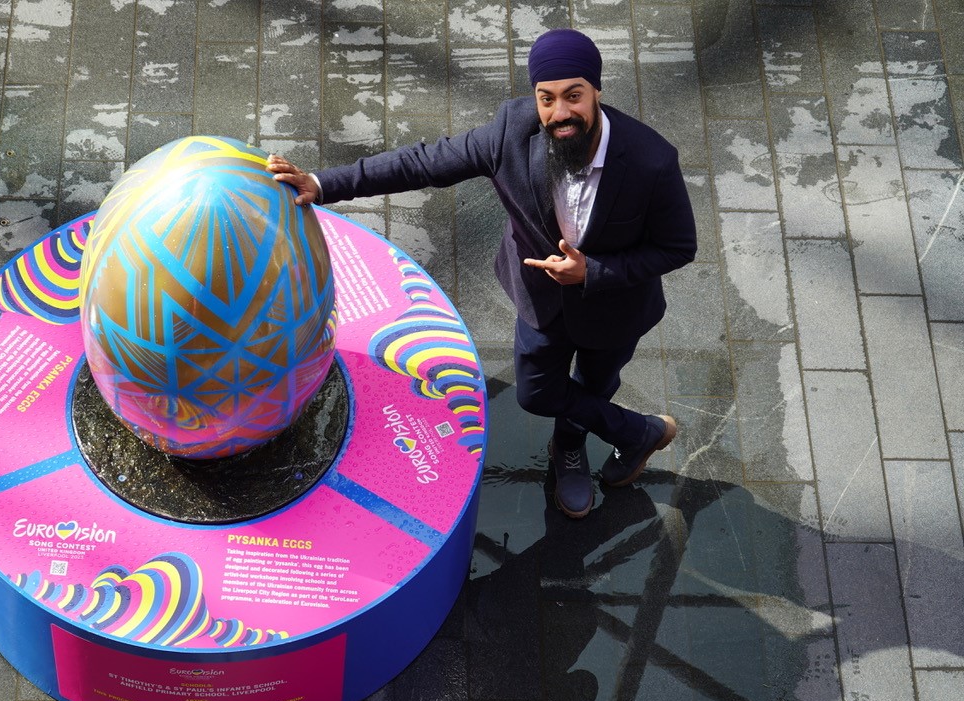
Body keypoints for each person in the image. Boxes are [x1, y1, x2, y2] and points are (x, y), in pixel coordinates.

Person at [269, 28, 695, 519]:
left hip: (616, 309)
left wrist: (593, 272)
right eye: (547, 98)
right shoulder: (510, 133)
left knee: (595, 387)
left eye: (574, 96)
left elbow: (677, 247)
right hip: (541, 303)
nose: (561, 114)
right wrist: (322, 184)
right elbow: (422, 163)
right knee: (538, 393)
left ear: (596, 90)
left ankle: (569, 453)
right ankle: (636, 432)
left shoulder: (651, 160)